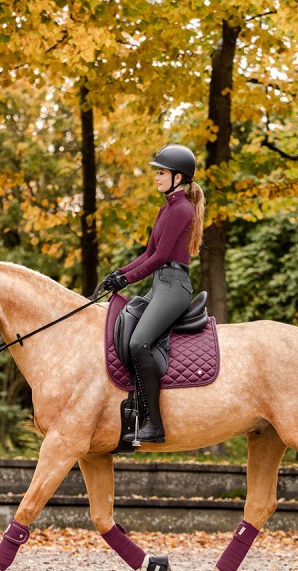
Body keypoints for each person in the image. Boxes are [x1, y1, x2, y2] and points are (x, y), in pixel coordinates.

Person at [99, 144, 205, 443]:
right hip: (160, 284)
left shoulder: (182, 208)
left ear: (178, 176)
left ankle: (154, 424)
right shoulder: (167, 207)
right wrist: (118, 274)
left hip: (174, 287)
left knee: (139, 342)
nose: (156, 177)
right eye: (157, 172)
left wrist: (128, 279)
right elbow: (148, 253)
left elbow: (159, 258)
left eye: (161, 172)